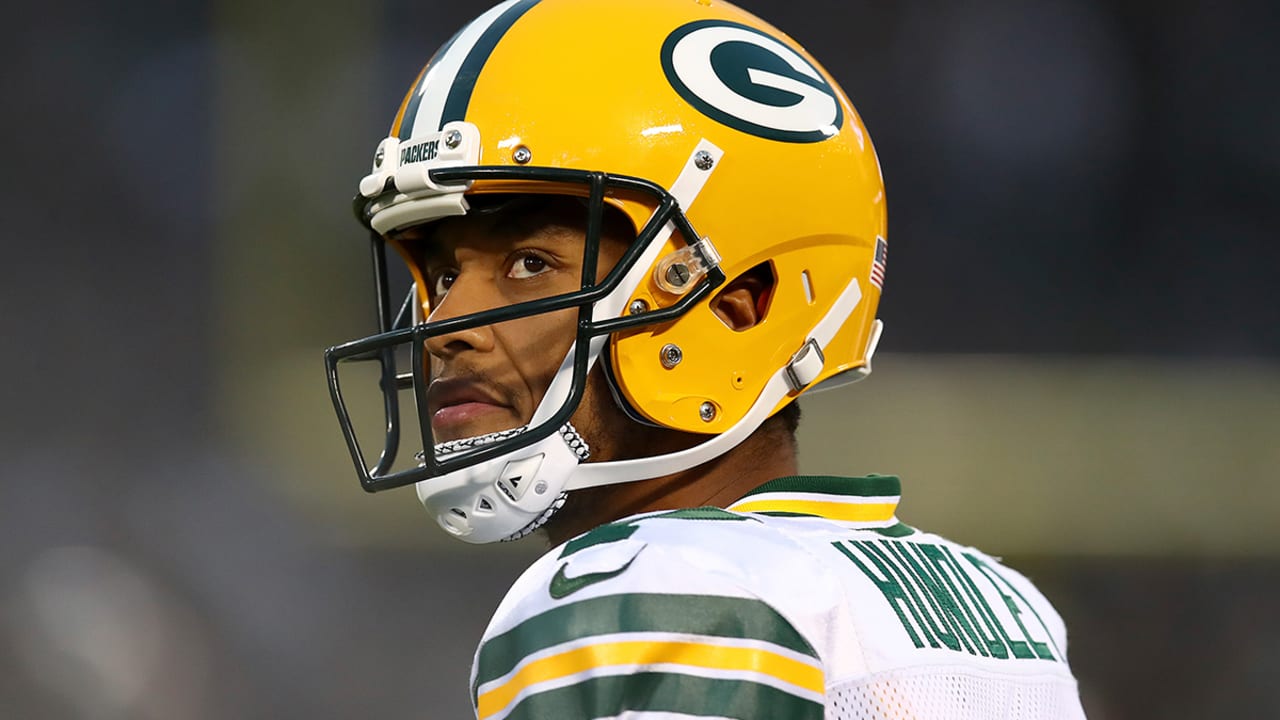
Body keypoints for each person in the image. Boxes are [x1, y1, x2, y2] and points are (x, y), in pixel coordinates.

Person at [324, 0, 1088, 717]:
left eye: (528, 262)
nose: (445, 324)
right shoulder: (1001, 606)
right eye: (445, 275)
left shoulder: (637, 595)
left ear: (738, 300)